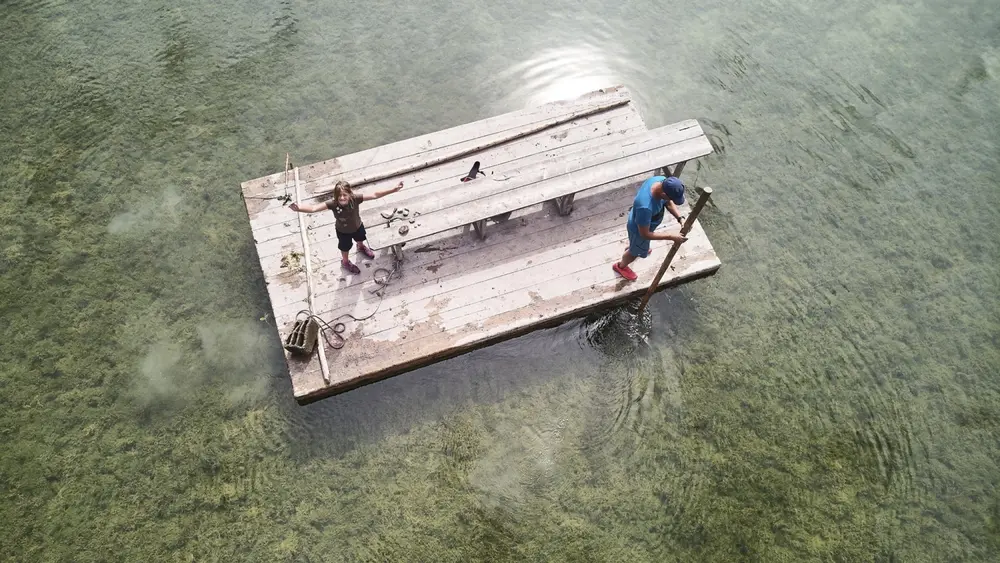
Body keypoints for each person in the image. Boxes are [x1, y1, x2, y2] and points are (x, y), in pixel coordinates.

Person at [290, 180, 403, 274]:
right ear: (335, 196)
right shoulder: (333, 204)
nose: (342, 198)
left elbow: (375, 195)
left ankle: (360, 247)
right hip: (343, 231)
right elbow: (314, 208)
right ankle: (345, 262)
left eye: (345, 195)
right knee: (345, 248)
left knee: (360, 238)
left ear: (350, 194)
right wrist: (299, 208)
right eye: (339, 196)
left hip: (358, 226)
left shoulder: (355, 198)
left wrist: (394, 189)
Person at [612, 175, 688, 281]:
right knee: (633, 253)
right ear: (664, 194)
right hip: (639, 231)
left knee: (637, 244)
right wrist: (672, 236)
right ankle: (621, 266)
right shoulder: (645, 207)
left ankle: (635, 245)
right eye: (671, 198)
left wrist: (680, 218)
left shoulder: (660, 180)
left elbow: (668, 202)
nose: (670, 200)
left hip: (643, 223)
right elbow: (645, 234)